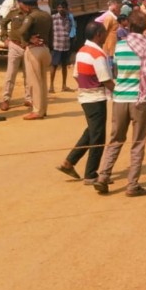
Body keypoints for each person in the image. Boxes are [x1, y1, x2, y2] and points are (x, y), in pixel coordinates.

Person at [93, 10, 146, 196]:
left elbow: (116, 69)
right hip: (140, 98)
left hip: (120, 97)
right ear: (144, 25)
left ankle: (103, 177)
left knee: (115, 139)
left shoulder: (120, 45)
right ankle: (132, 185)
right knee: (138, 143)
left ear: (128, 25)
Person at [55, 21, 113, 185]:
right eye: (104, 32)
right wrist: (120, 94)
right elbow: (106, 80)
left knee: (91, 132)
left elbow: (76, 75)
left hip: (85, 96)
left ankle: (69, 162)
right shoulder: (97, 54)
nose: (106, 35)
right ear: (98, 35)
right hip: (96, 98)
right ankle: (91, 174)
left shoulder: (82, 51)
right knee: (98, 137)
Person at [17, 0, 53, 120]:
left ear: (26, 6)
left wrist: (28, 40)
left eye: (20, 5)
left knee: (35, 82)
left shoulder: (31, 16)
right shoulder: (47, 15)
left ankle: (37, 111)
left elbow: (21, 31)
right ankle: (43, 109)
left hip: (34, 50)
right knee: (43, 81)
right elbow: (51, 34)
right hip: (45, 49)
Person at [0, 1, 31, 111]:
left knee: (28, 74)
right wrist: (4, 38)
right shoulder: (13, 13)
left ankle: (29, 98)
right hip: (15, 45)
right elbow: (3, 23)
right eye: (21, 3)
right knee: (10, 74)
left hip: (28, 47)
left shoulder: (32, 14)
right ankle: (6, 99)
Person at [49, 0, 76, 93]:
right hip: (57, 45)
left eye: (63, 7)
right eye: (59, 7)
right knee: (54, 65)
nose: (61, 9)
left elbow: (72, 30)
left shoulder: (69, 18)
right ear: (57, 8)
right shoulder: (53, 18)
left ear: (66, 8)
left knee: (64, 66)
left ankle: (64, 85)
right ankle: (51, 86)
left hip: (66, 45)